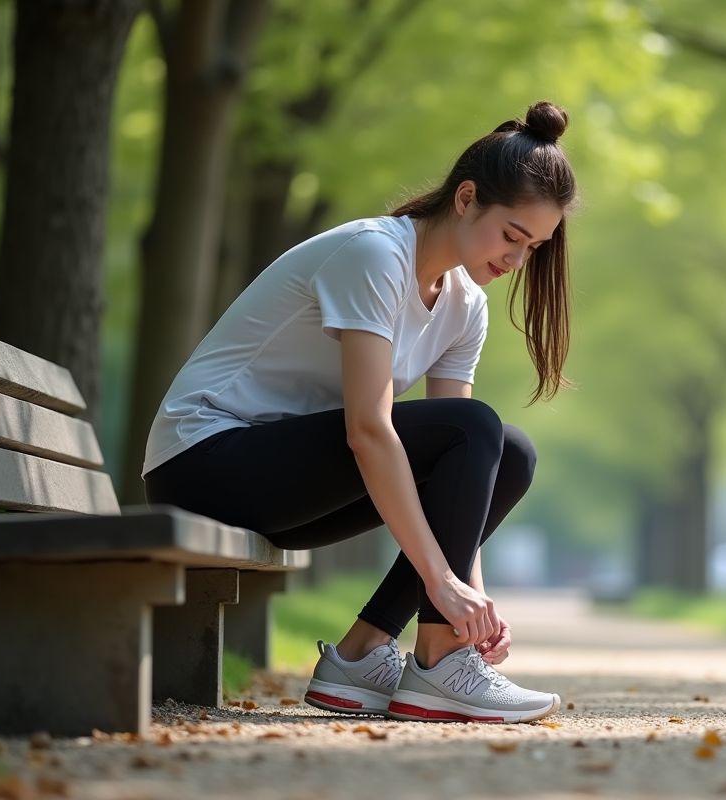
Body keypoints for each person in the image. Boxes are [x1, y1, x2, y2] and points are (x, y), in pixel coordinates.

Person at [141, 101, 577, 724]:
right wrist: (442, 588)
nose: (515, 262)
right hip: (205, 462)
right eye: (511, 236)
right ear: (466, 198)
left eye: (532, 248)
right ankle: (438, 666)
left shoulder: (464, 306)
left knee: (509, 452)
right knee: (478, 427)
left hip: (286, 480)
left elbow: (464, 475)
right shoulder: (375, 257)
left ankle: (367, 653)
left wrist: (469, 598)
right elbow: (369, 429)